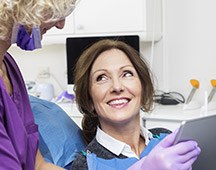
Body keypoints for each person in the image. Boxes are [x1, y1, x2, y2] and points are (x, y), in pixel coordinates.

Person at [71, 39, 201, 170]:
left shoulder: (165, 138)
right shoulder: (86, 164)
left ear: (143, 89)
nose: (117, 87)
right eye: (102, 78)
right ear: (89, 100)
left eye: (126, 74)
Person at [0, 0, 77, 169]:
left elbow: (38, 164)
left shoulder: (9, 66)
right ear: (25, 4)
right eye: (57, 12)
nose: (61, 24)